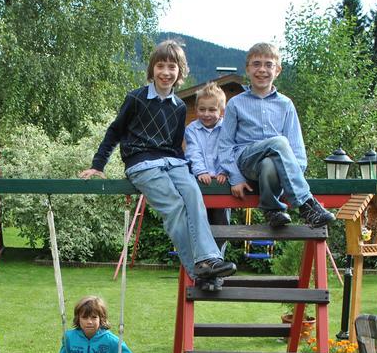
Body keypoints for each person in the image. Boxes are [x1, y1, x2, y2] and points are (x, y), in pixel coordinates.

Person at [81, 39, 236, 284]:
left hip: (172, 162)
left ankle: (209, 259)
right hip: (141, 162)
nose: (166, 72)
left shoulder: (179, 108)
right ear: (152, 69)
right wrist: (98, 165)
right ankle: (198, 271)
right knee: (174, 206)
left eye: (172, 67)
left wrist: (194, 170)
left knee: (193, 195)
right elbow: (115, 131)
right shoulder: (136, 99)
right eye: (161, 66)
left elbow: (175, 146)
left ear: (180, 72)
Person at [216, 42, 335, 228]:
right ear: (247, 69)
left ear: (278, 70)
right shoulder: (235, 104)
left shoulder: (286, 104)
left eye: (268, 64)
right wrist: (236, 178)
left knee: (270, 162)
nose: (262, 69)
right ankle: (306, 205)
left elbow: (296, 148)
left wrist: (294, 173)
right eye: (256, 64)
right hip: (246, 160)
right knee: (279, 142)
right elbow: (224, 145)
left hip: (272, 168)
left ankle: (272, 211)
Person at [185, 81, 231, 227]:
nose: (206, 114)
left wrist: (224, 171)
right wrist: (201, 171)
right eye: (202, 109)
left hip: (221, 181)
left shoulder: (227, 128)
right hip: (200, 181)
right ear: (196, 109)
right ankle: (200, 250)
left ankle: (218, 250)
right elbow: (193, 152)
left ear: (221, 112)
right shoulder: (192, 129)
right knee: (199, 220)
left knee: (221, 221)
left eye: (212, 110)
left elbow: (229, 150)